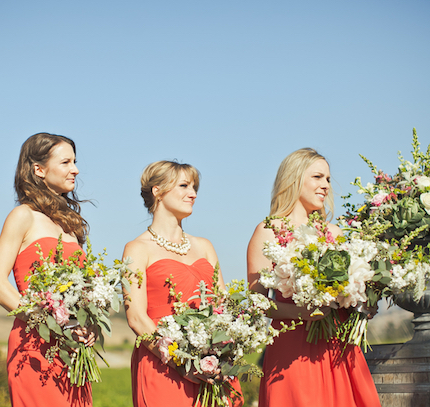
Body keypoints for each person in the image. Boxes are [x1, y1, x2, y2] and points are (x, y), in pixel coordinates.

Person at [246, 148, 381, 407]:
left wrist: (361, 300)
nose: (325, 186)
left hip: (338, 345)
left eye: (328, 179)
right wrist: (305, 314)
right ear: (294, 179)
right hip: (292, 349)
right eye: (318, 177)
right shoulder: (268, 231)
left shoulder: (333, 232)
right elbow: (257, 303)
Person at [0, 132, 95, 407]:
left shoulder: (70, 226)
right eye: (66, 162)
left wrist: (88, 326)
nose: (75, 169)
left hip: (73, 350)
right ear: (39, 170)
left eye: (75, 161)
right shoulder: (22, 216)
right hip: (35, 346)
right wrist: (48, 323)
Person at [123, 160, 242, 407]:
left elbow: (224, 307)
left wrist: (218, 355)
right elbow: (136, 317)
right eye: (184, 185)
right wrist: (182, 362)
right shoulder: (136, 249)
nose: (193, 193)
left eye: (194, 187)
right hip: (165, 366)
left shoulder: (205, 246)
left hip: (213, 367)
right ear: (157, 190)